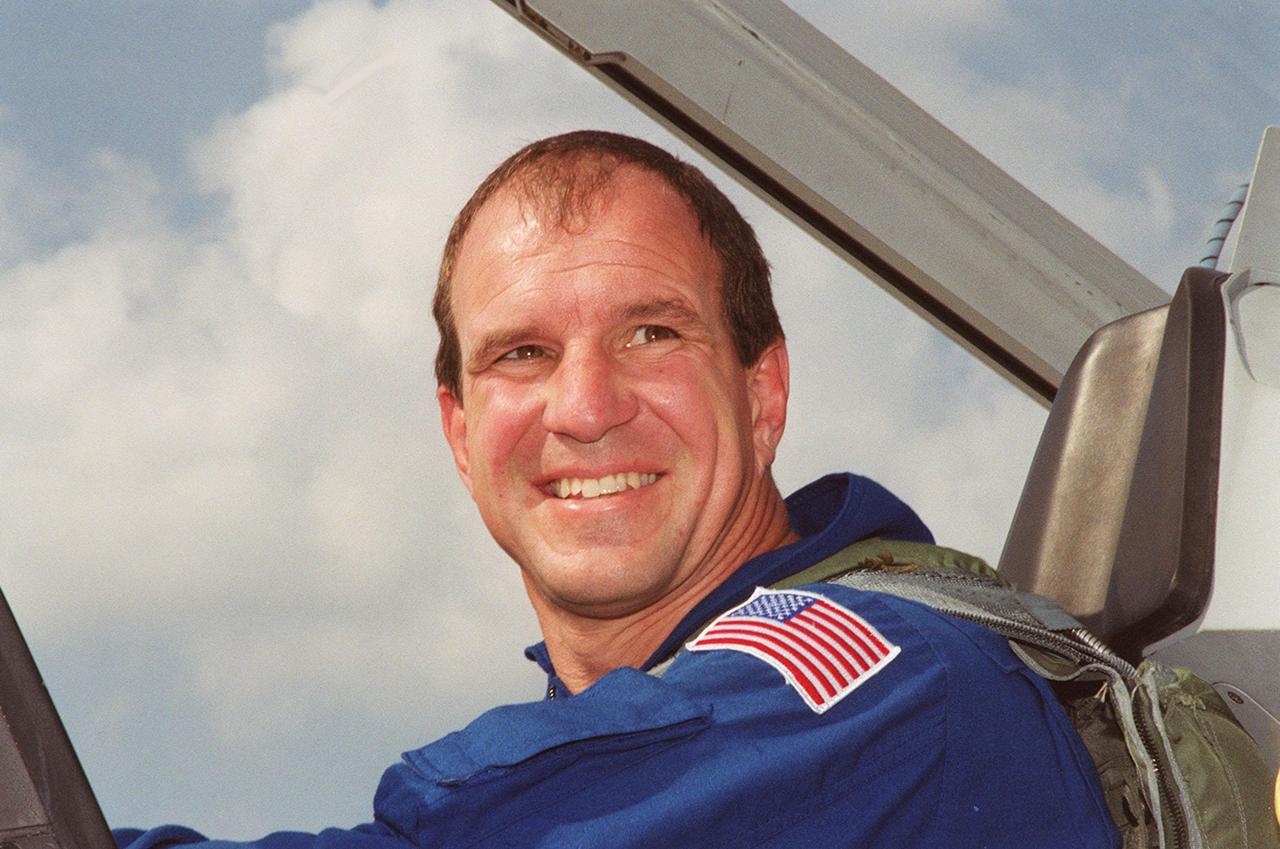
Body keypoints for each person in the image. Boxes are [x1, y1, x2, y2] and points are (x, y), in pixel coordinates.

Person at [115, 131, 1118, 848]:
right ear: (460, 431)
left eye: (650, 333)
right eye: (521, 352)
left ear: (761, 393)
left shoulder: (881, 682)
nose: (586, 408)